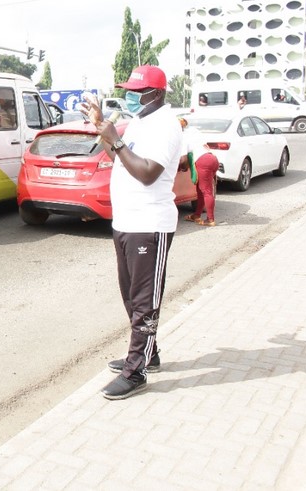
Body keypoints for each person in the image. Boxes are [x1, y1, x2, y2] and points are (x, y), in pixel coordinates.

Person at [84, 65, 183, 400]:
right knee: (130, 296)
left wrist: (117, 138)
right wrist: (104, 131)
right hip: (125, 223)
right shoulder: (142, 121)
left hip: (149, 226)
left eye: (136, 92)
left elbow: (147, 173)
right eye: (128, 91)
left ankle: (136, 369)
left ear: (155, 94)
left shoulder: (166, 125)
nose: (130, 97)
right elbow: (120, 157)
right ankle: (148, 353)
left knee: (145, 302)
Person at [182, 121, 219, 227]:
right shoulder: (193, 131)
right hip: (212, 158)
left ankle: (210, 219)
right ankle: (196, 215)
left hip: (203, 161)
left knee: (206, 191)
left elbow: (183, 159)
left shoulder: (182, 137)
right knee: (200, 190)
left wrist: (183, 167)